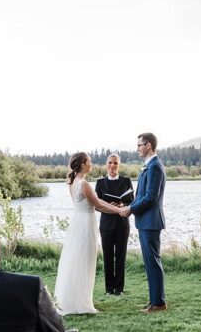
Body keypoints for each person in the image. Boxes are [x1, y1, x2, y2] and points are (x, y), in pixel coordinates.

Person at [54, 152, 126, 314]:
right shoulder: (84, 184)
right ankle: (81, 303)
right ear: (82, 165)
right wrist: (119, 211)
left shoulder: (72, 182)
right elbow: (99, 205)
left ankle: (74, 300)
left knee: (77, 260)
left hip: (78, 223)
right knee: (85, 261)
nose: (91, 164)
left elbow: (97, 202)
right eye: (89, 161)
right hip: (85, 223)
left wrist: (116, 209)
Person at [120, 132, 167, 313]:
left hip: (151, 221)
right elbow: (143, 196)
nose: (137, 148)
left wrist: (130, 209)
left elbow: (150, 198)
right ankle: (154, 301)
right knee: (150, 262)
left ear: (148, 145)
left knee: (153, 262)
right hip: (145, 221)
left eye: (139, 145)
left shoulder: (154, 166)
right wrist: (129, 205)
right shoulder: (149, 165)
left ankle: (159, 303)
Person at [95, 154, 133, 295]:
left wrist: (123, 204)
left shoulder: (126, 181)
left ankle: (119, 289)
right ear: (106, 164)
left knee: (121, 257)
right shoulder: (100, 183)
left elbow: (132, 202)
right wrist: (109, 206)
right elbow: (96, 205)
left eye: (115, 163)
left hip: (122, 224)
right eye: (110, 163)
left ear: (119, 165)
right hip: (106, 225)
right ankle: (109, 289)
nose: (112, 166)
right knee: (108, 257)